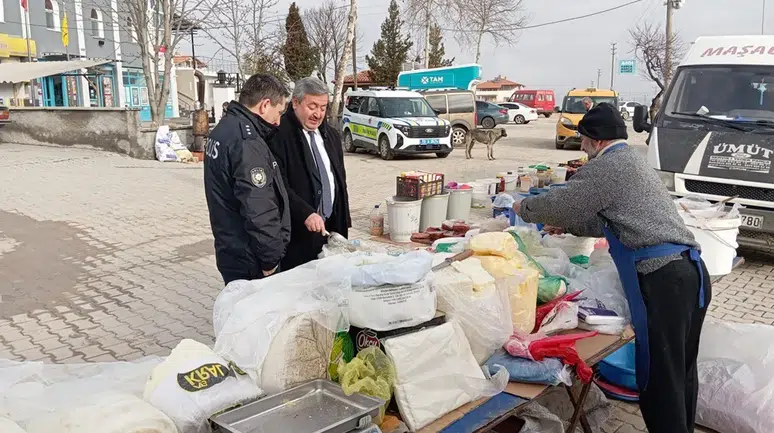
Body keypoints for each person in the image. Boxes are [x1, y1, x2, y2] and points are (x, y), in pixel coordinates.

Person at [513, 103, 711, 433]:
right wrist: (568, 226)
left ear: (598, 140)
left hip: (666, 280)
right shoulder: (630, 160)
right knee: (680, 371)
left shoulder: (609, 166)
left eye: (583, 139)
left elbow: (565, 202)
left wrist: (525, 207)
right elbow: (612, 219)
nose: (582, 146)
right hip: (688, 273)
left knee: (661, 378)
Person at [204, 74, 291, 284]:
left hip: (230, 248)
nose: (278, 121)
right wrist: (270, 259)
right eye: (279, 112)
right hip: (251, 258)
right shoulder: (247, 142)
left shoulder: (223, 129)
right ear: (265, 105)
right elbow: (259, 208)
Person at [270, 77, 351, 270]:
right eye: (312, 106)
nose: (318, 114)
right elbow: (278, 186)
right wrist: (305, 213)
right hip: (297, 234)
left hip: (330, 230)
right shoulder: (278, 135)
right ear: (295, 102)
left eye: (323, 108)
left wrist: (343, 220)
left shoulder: (331, 136)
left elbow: (339, 181)